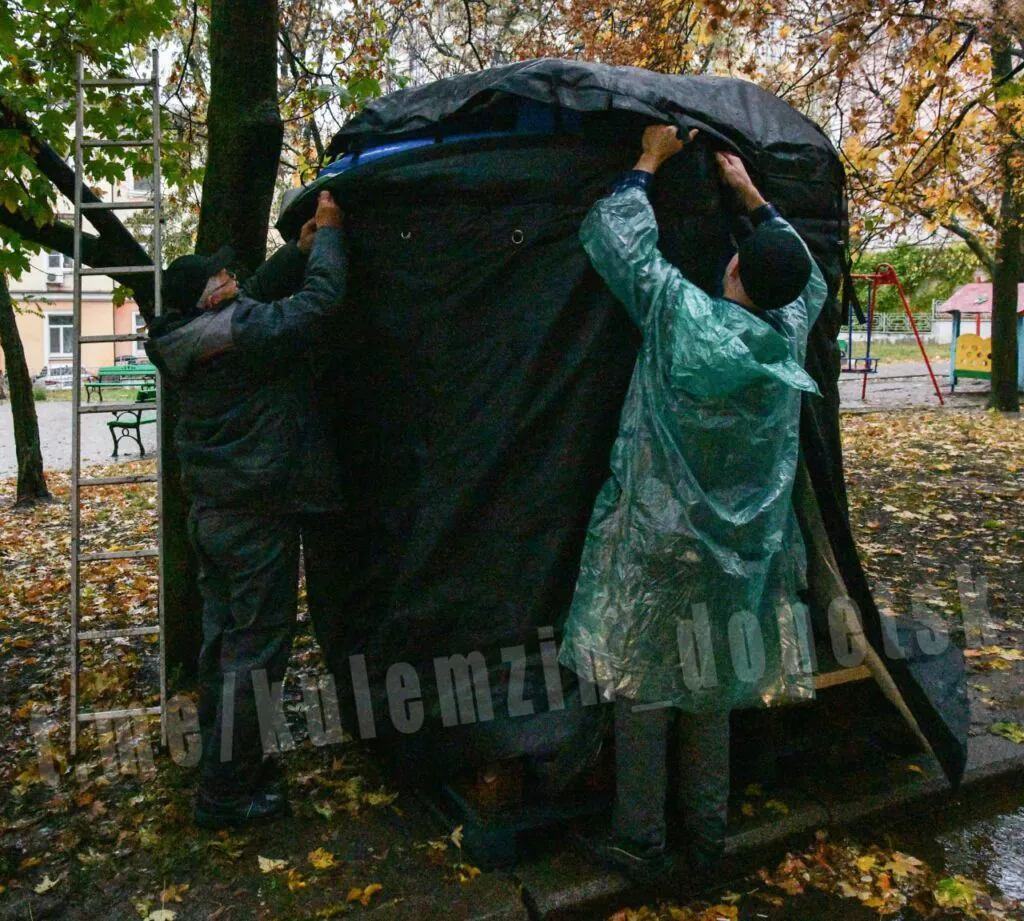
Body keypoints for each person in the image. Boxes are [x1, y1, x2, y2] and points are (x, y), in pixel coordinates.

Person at [559, 126, 827, 880]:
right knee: (708, 687)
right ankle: (706, 839)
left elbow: (622, 244)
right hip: (735, 562)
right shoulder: (787, 337)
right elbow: (805, 283)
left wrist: (646, 159)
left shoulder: (684, 319)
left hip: (656, 547)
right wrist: (756, 198)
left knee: (644, 684)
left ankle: (640, 842)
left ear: (733, 265)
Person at [146, 190, 348, 828]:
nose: (234, 277)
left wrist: (299, 249)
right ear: (210, 297)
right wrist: (334, 239)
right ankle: (228, 794)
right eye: (222, 275)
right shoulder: (237, 333)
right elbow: (316, 309)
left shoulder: (192, 336)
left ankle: (224, 765)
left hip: (215, 513)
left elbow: (260, 287)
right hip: (255, 515)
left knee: (223, 645)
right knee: (256, 653)